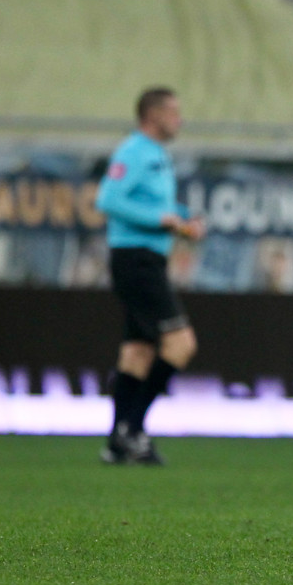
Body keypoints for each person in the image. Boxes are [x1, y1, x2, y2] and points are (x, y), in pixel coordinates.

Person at [95, 87, 205, 465]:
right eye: (174, 112)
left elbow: (156, 204)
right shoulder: (133, 151)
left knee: (137, 352)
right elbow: (108, 199)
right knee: (180, 344)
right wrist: (162, 220)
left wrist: (183, 219)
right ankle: (134, 429)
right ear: (153, 115)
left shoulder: (157, 154)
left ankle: (117, 442)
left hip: (149, 260)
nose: (180, 120)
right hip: (135, 260)